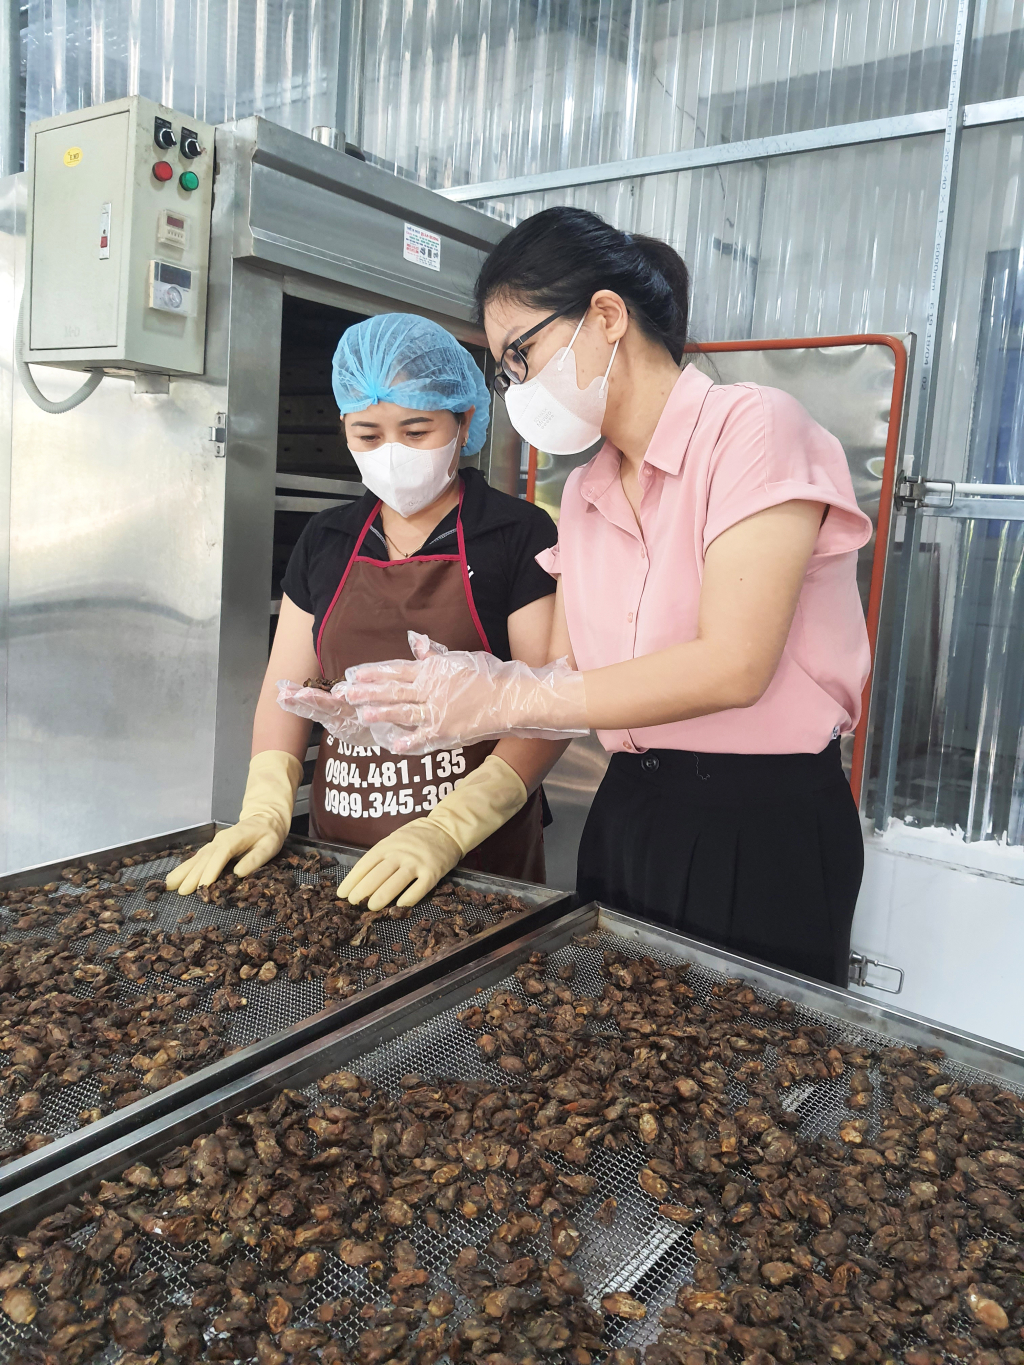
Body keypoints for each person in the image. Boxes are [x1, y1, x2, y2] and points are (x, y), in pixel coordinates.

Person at [343, 207, 873, 987]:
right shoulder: (587, 489)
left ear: (606, 316)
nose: (517, 388)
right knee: (615, 1076)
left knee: (747, 1086)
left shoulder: (751, 428)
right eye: (505, 373)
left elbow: (734, 665)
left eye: (520, 356)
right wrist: (436, 697)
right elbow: (566, 670)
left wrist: (504, 698)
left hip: (757, 827)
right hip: (630, 811)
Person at [167, 313, 564, 908]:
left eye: (417, 430)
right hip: (339, 855)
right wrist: (267, 805)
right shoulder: (327, 539)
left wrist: (446, 829)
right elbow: (286, 686)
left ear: (464, 420)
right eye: (368, 435)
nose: (392, 453)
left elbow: (548, 703)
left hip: (478, 858)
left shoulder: (515, 533)